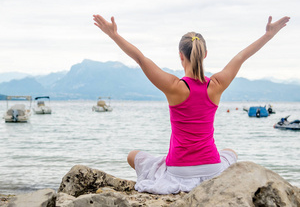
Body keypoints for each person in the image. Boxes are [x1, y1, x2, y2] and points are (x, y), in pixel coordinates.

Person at [93, 14, 290, 194]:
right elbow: (241, 56)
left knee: (132, 156)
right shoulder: (217, 85)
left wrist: (114, 35)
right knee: (231, 153)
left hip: (179, 171)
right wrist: (268, 35)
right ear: (205, 55)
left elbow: (140, 59)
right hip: (212, 168)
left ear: (180, 55)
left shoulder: (174, 87)